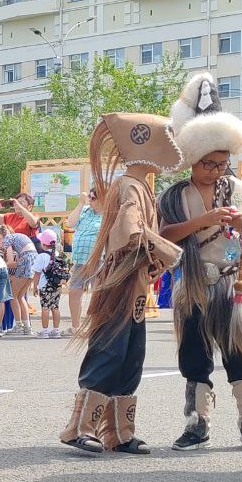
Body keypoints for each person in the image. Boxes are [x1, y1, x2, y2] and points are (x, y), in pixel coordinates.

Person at [159, 73, 242, 452]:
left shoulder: (238, 190)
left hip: (234, 282)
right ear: (192, 159)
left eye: (222, 163)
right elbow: (165, 236)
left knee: (241, 354)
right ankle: (197, 423)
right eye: (209, 163)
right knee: (194, 354)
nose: (216, 170)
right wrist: (201, 222)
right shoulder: (175, 195)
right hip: (194, 283)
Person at [61, 112, 183, 455]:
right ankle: (79, 428)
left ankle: (118, 432)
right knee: (110, 351)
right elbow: (130, 230)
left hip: (135, 284)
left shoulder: (137, 185)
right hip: (120, 282)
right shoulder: (128, 185)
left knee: (131, 356)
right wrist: (165, 250)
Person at [0, 192, 41, 333]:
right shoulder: (14, 230)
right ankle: (26, 326)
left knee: (13, 295)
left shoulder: (9, 239)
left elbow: (11, 262)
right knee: (20, 296)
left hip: (25, 260)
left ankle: (18, 325)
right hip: (33, 260)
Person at [65, 189, 102, 337]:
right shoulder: (86, 211)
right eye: (90, 198)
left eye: (93, 198)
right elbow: (70, 223)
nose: (90, 200)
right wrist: (81, 203)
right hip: (80, 259)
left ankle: (95, 326)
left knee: (97, 293)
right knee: (74, 291)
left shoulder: (110, 215)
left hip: (98, 259)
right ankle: (76, 326)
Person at [33, 228, 71, 338]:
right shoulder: (58, 255)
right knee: (55, 307)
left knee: (45, 308)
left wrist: (34, 286)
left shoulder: (41, 256)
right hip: (57, 285)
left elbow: (37, 274)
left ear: (43, 244)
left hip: (45, 286)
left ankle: (45, 331)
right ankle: (56, 331)